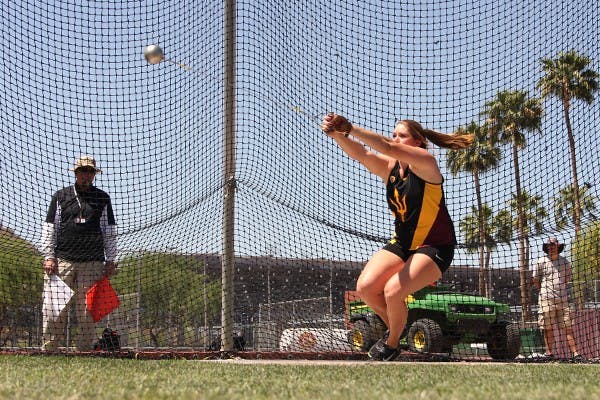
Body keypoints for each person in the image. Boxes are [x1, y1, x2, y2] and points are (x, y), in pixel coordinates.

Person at [322, 113, 472, 360]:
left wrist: (350, 128)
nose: (396, 139)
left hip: (434, 246)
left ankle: (391, 345)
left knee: (392, 291)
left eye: (402, 135)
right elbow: (362, 154)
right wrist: (338, 135)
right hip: (403, 244)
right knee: (366, 288)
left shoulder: (426, 162)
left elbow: (386, 146)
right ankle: (400, 326)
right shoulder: (391, 168)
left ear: (418, 143)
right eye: (394, 135)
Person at [40, 155, 118, 351]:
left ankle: (84, 349)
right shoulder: (61, 196)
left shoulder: (102, 198)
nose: (86, 175)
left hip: (92, 262)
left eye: (90, 171)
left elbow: (109, 231)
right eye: (83, 171)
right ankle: (50, 349)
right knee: (54, 308)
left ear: (94, 175)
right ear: (76, 173)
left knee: (87, 310)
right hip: (63, 260)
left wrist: (111, 260)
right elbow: (50, 227)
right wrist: (49, 256)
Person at [533, 237, 582, 360]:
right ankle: (549, 354)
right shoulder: (541, 261)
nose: (550, 247)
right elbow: (535, 280)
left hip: (562, 300)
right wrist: (544, 292)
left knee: (568, 327)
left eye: (552, 244)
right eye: (548, 245)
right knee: (547, 328)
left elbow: (567, 279)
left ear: (558, 245)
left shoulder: (565, 262)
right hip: (546, 299)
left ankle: (576, 354)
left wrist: (559, 291)